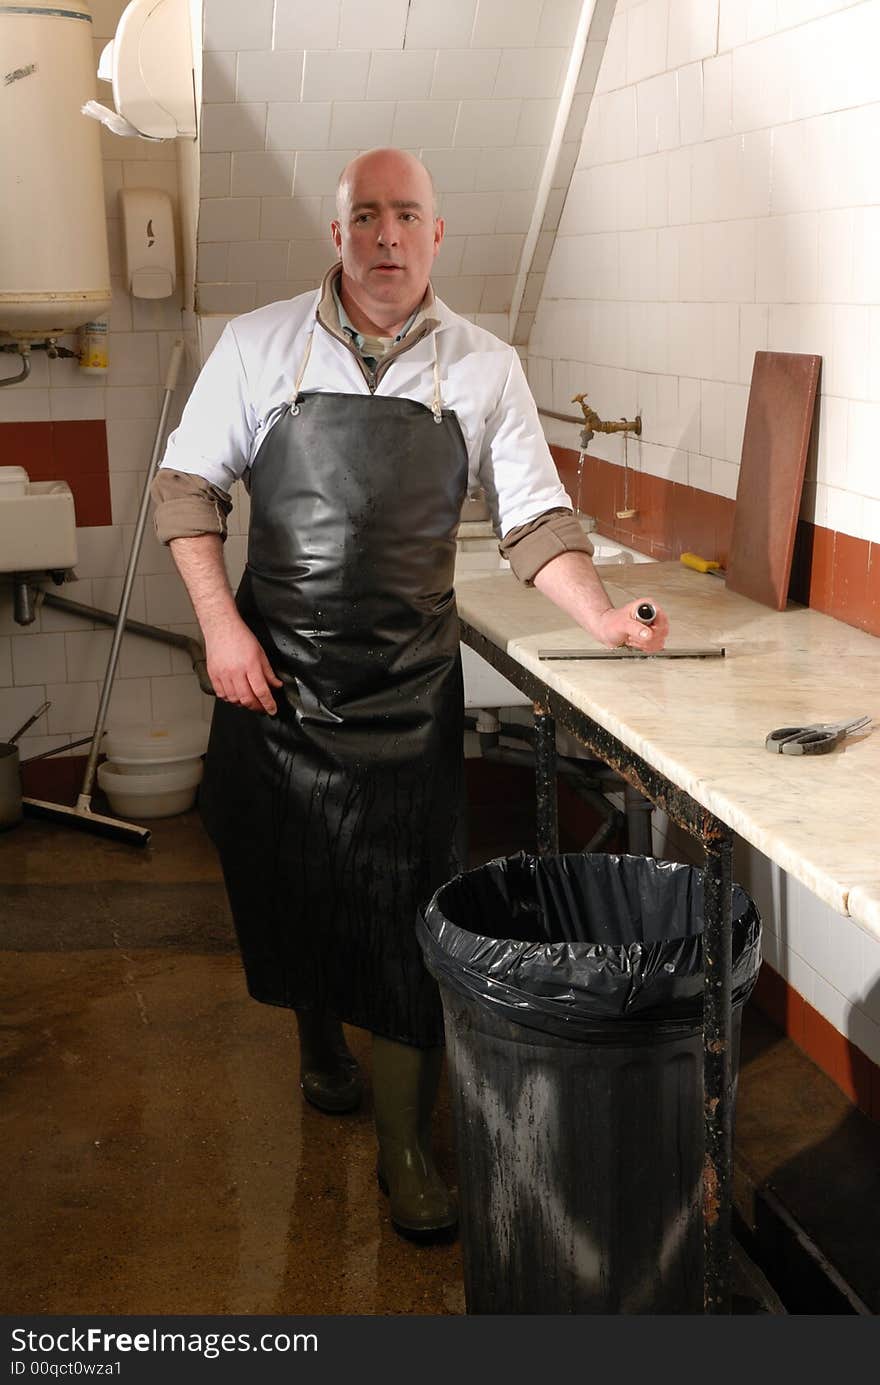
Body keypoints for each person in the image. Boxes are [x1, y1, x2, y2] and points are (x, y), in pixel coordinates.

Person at [151, 147, 669, 1243]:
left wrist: (603, 616)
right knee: (289, 877)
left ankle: (402, 1146)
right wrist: (220, 628)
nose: (387, 236)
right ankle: (318, 1045)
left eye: (408, 217)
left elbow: (534, 519)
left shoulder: (484, 364)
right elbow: (187, 486)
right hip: (274, 679)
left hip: (404, 692)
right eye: (366, 217)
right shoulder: (257, 344)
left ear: (438, 236)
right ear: (334, 237)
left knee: (404, 914)